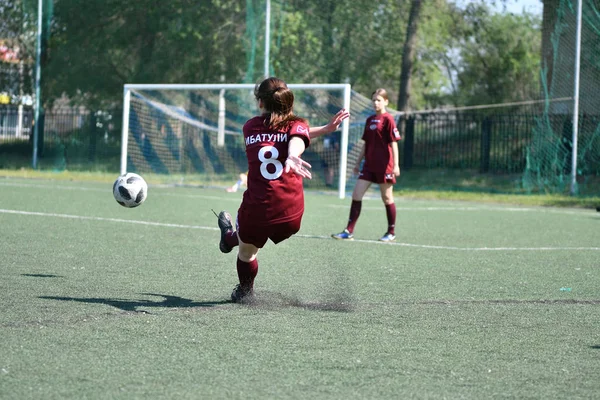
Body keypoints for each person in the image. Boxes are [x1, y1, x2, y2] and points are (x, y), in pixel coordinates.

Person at [215, 77, 349, 303]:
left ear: (260, 103)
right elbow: (296, 135)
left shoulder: (249, 127)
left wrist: (294, 153)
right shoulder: (298, 126)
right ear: (288, 102)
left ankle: (244, 289)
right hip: (291, 215)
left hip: (257, 209)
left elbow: (287, 137)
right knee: (253, 234)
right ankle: (229, 239)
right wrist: (296, 153)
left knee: (247, 253)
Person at [331, 88, 401, 242]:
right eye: (374, 100)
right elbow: (365, 144)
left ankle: (391, 232)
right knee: (356, 195)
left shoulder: (388, 119)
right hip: (368, 165)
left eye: (379, 100)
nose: (376, 103)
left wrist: (396, 165)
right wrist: (357, 163)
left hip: (385, 166)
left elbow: (393, 143)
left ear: (386, 102)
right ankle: (348, 231)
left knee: (387, 198)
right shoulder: (369, 120)